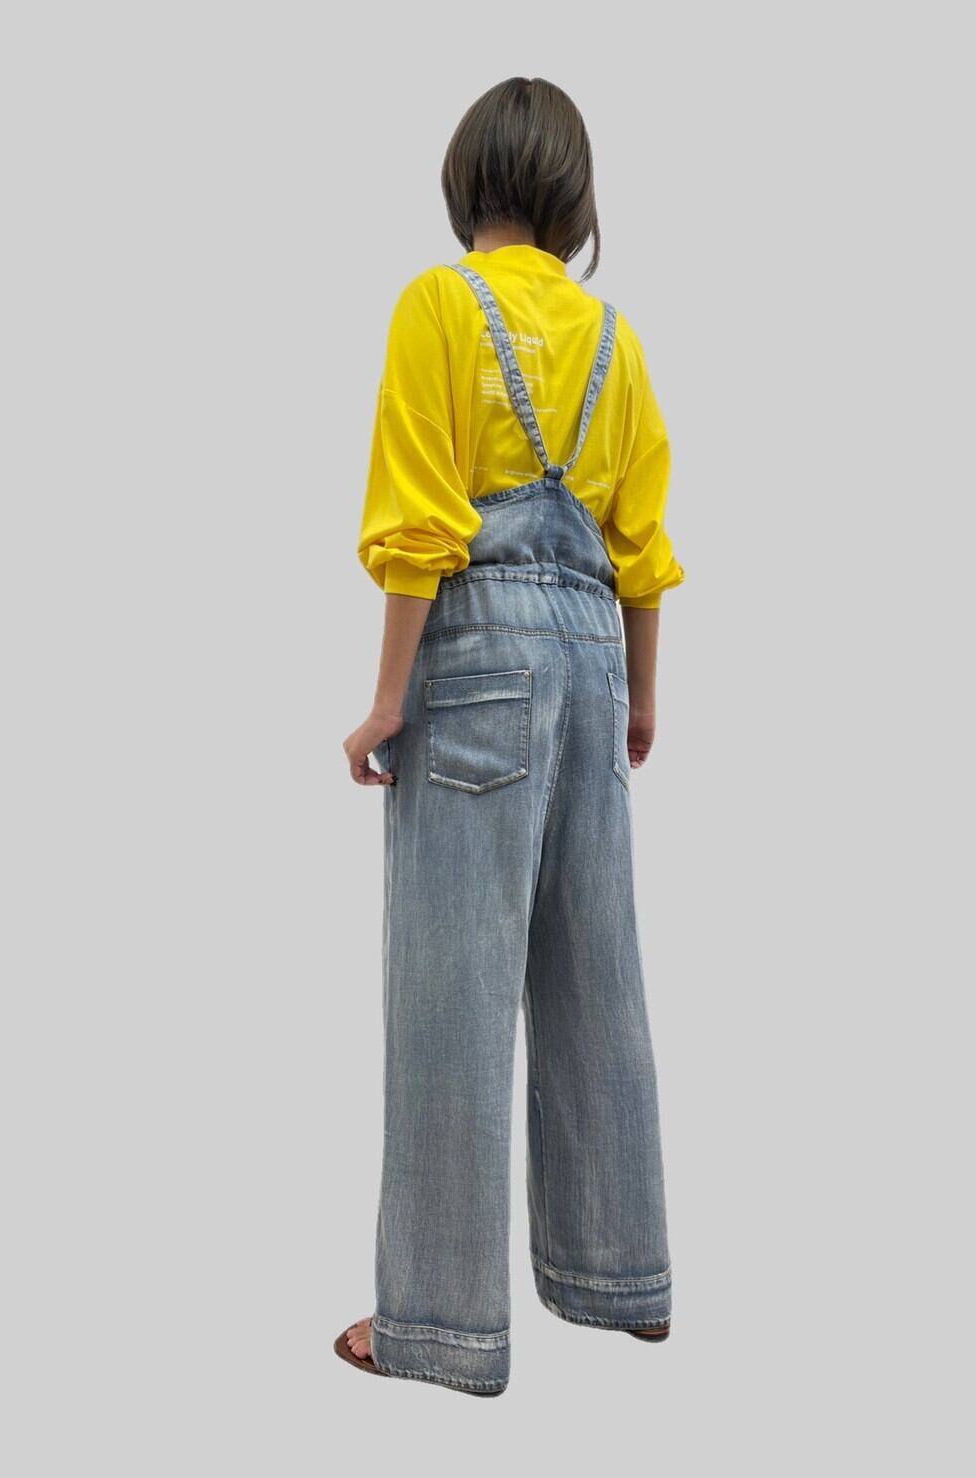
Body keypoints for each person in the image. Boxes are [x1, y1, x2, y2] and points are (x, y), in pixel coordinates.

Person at [336, 76, 686, 1397]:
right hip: (594, 663)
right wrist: (641, 698)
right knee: (599, 970)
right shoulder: (615, 340)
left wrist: (389, 699)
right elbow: (643, 549)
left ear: (465, 176)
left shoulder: (438, 306)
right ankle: (621, 1275)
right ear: (573, 197)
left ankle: (436, 1324)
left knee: (453, 989)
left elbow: (421, 524)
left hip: (477, 655)